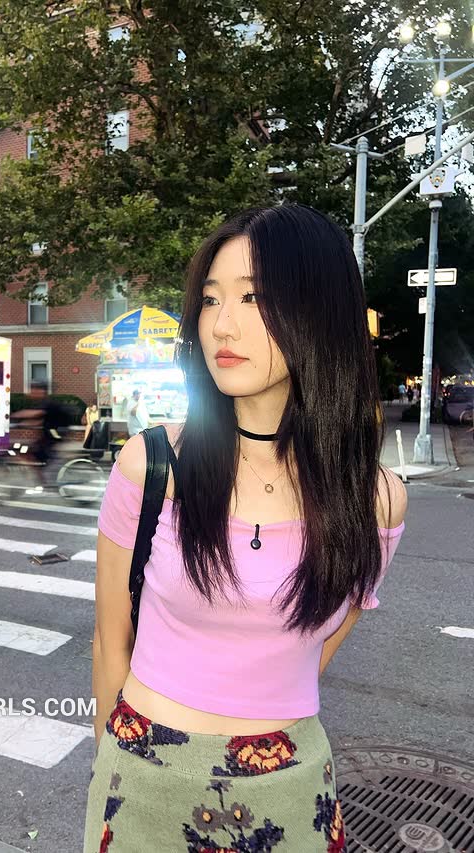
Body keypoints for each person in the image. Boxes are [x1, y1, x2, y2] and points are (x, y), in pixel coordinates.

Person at [86, 205, 407, 851]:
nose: (222, 325)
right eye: (210, 300)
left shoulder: (375, 500)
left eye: (253, 298)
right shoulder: (152, 464)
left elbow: (314, 650)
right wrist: (111, 769)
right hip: (143, 780)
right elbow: (109, 639)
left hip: (290, 791)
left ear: (318, 311)